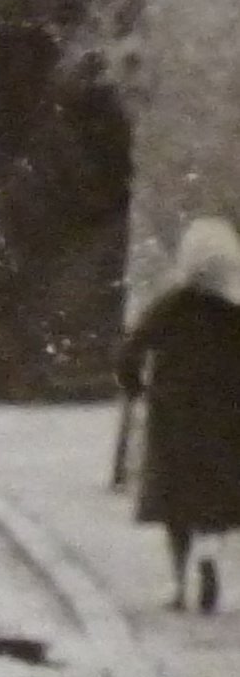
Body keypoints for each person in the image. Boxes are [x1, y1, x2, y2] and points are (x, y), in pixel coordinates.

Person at [122, 215, 240, 612]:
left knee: (175, 501)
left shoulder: (170, 307)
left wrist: (137, 390)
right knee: (216, 494)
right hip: (225, 416)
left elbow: (130, 350)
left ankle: (178, 583)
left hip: (173, 414)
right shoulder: (233, 313)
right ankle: (209, 554)